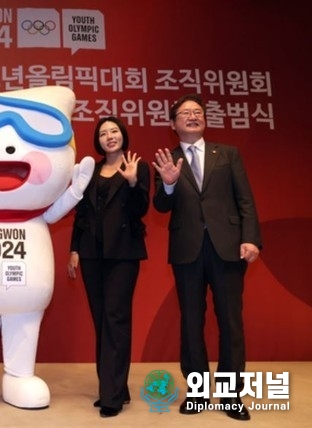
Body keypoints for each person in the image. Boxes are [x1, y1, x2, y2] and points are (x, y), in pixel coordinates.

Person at [152, 93, 262, 421]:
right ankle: (197, 393)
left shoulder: (227, 154)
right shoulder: (166, 158)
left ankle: (230, 396)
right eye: (185, 113)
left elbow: (245, 200)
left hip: (227, 247)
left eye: (197, 112)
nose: (192, 116)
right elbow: (160, 206)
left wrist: (251, 239)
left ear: (204, 119)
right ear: (173, 124)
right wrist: (168, 184)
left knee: (230, 322)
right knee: (191, 321)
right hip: (188, 250)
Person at [67, 116, 149, 418]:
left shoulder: (138, 167)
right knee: (101, 320)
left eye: (114, 131)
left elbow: (142, 209)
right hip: (91, 254)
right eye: (103, 133)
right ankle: (115, 386)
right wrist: (74, 249)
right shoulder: (91, 171)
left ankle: (111, 395)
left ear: (123, 135)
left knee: (116, 319)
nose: (109, 137)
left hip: (123, 255)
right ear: (98, 141)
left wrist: (131, 182)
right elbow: (81, 213)